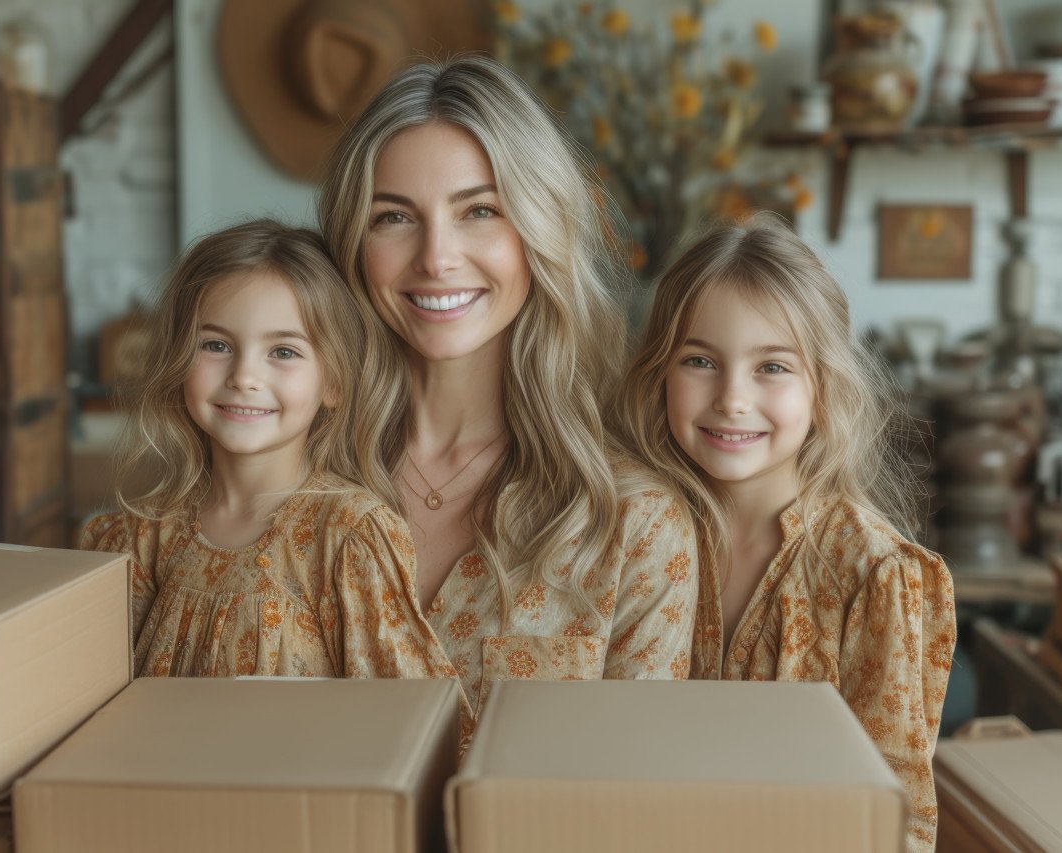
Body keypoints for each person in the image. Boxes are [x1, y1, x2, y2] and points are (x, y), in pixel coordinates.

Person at [318, 55, 697, 736]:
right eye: (394, 216)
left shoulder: (634, 523)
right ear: (352, 242)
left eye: (480, 211)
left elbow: (638, 781)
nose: (437, 257)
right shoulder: (293, 486)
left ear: (539, 231)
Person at [613, 212, 956, 853]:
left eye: (771, 367)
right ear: (659, 373)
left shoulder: (873, 573)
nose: (732, 398)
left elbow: (896, 819)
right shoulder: (630, 537)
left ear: (823, 387)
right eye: (699, 361)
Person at [78, 219, 456, 687]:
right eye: (216, 345)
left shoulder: (347, 536)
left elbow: (408, 712)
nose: (244, 376)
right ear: (178, 361)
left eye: (283, 352)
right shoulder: (144, 533)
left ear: (334, 382)